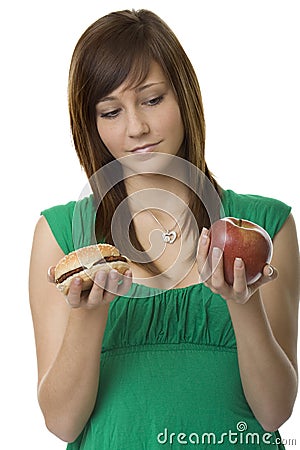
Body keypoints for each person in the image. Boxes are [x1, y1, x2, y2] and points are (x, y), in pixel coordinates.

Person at [29, 9, 299, 449]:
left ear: (185, 96)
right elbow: (61, 423)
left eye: (152, 100)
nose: (137, 127)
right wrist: (89, 317)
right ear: (91, 124)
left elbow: (274, 413)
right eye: (110, 111)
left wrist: (244, 304)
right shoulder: (61, 234)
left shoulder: (268, 225)